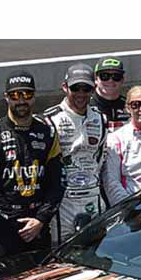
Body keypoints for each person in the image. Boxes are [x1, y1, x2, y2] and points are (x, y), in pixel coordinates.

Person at [0, 71, 64, 257]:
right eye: (15, 95)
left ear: (34, 97)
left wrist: (40, 219)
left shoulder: (47, 132)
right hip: (6, 229)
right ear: (6, 97)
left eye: (27, 94)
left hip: (39, 226)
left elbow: (58, 181)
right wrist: (16, 221)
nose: (21, 100)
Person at [42, 63, 108, 244]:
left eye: (86, 88)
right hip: (64, 200)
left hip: (93, 197)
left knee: (95, 250)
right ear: (65, 87)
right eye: (75, 88)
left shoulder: (100, 118)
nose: (81, 93)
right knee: (61, 252)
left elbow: (101, 158)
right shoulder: (50, 119)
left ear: (94, 88)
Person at [91, 56, 130, 132]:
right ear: (96, 79)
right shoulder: (86, 106)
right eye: (105, 76)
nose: (110, 81)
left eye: (116, 77)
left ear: (122, 80)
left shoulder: (129, 106)